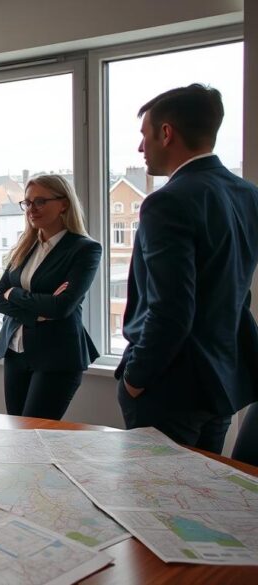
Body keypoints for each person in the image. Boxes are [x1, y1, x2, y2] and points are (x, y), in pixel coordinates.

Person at [117, 83, 258, 453]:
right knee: (202, 504)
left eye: (144, 135)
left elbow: (170, 309)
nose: (140, 148)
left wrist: (135, 378)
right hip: (223, 380)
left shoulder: (167, 203)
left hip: (170, 386)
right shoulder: (248, 194)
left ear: (167, 133)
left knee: (153, 504)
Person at [0, 175, 101, 420]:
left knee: (37, 434)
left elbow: (62, 307)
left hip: (57, 355)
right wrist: (38, 310)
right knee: (17, 432)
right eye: (27, 203)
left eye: (40, 201)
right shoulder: (25, 245)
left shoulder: (84, 249)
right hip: (15, 350)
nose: (32, 209)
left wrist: (16, 293)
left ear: (63, 204)